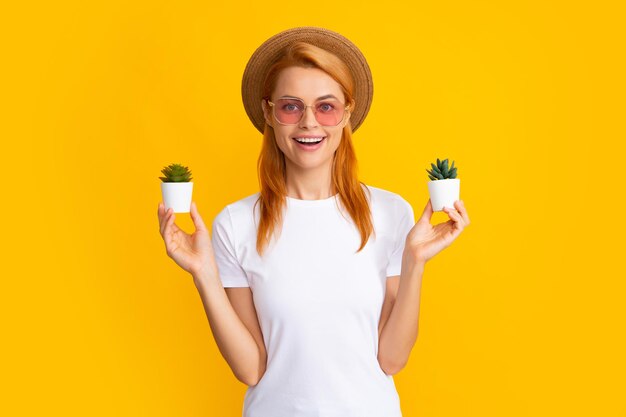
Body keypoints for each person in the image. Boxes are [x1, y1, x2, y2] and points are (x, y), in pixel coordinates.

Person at [157, 26, 470, 417]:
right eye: (291, 106)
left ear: (346, 115)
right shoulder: (235, 224)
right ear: (270, 114)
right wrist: (203, 272)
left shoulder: (391, 213)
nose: (309, 122)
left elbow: (391, 359)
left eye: (326, 106)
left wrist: (414, 263)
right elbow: (251, 369)